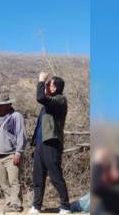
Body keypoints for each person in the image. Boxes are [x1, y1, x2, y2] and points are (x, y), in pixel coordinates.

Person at [28, 72, 70, 214]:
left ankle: (65, 206)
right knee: (38, 176)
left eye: (49, 84)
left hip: (52, 144)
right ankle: (36, 205)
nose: (46, 86)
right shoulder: (49, 103)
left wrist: (41, 80)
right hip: (41, 144)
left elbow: (40, 97)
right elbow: (43, 98)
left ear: (55, 88)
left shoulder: (60, 100)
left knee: (55, 175)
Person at [0, 93, 27, 212]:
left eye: (1, 105)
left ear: (8, 104)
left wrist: (18, 152)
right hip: (0, 155)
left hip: (11, 154)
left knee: (13, 181)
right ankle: (9, 202)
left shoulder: (16, 116)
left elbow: (21, 135)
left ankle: (16, 204)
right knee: (3, 182)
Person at [92, 148, 119, 215]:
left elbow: (98, 189)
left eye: (111, 168)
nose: (108, 170)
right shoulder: (118, 188)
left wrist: (98, 164)